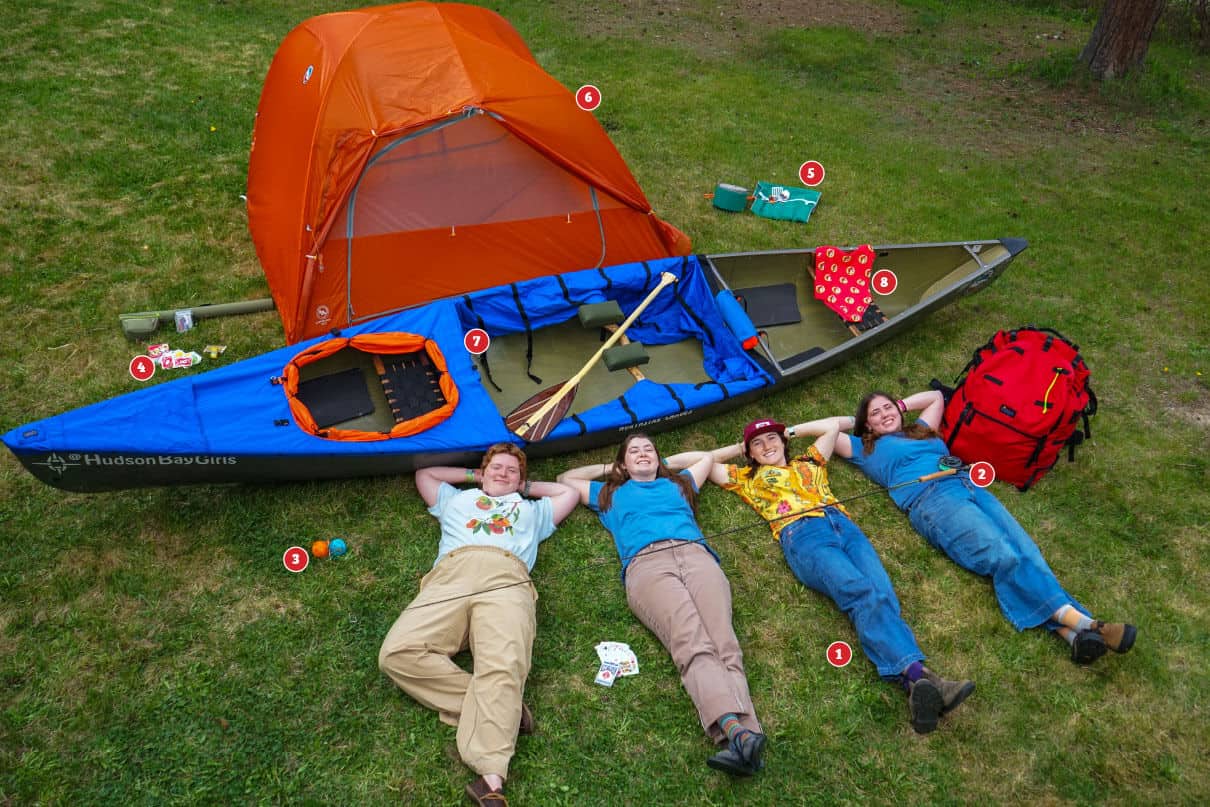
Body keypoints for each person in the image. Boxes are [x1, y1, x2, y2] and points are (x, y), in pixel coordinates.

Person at [669, 416, 974, 734]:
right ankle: (921, 676)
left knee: (883, 594)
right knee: (860, 592)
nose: (767, 445)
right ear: (750, 453)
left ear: (784, 442)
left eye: (772, 439)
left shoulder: (810, 461)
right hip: (802, 534)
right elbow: (699, 460)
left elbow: (834, 427)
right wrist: (739, 448)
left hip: (846, 528)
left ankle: (918, 688)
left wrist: (789, 431)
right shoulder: (745, 476)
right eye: (757, 444)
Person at [833, 390, 1137, 665]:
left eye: (888, 407)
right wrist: (851, 422)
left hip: (968, 485)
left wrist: (899, 406)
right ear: (867, 425)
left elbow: (936, 397)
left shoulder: (920, 430)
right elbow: (828, 430)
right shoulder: (865, 449)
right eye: (875, 413)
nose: (885, 414)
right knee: (1001, 555)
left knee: (1026, 552)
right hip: (932, 499)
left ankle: (1073, 637)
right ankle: (1089, 625)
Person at [378, 444, 578, 807]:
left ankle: (491, 778)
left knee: (503, 664)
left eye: (512, 470)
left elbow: (569, 492)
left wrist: (524, 487)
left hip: (507, 575)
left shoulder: (533, 511)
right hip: (452, 574)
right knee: (397, 653)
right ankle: (504, 708)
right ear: (483, 473)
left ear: (521, 480)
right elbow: (426, 474)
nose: (503, 473)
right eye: (496, 467)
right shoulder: (456, 499)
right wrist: (475, 475)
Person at [557, 434, 767, 777]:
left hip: (697, 556)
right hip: (648, 565)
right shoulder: (609, 493)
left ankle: (745, 740)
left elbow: (704, 458)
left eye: (649, 450)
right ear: (622, 463)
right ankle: (736, 731)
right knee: (692, 643)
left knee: (725, 644)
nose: (643, 454)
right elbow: (565, 478)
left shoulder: (679, 484)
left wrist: (663, 464)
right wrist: (615, 469)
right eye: (634, 451)